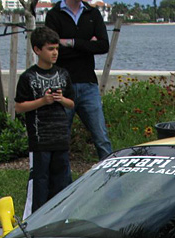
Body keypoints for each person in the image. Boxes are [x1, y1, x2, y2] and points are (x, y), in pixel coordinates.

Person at [15, 27, 75, 214]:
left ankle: (60, 217)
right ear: (37, 50)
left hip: (60, 139)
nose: (55, 53)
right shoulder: (28, 77)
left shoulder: (63, 74)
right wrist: (42, 101)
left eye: (56, 48)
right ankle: (34, 219)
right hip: (40, 141)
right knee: (40, 183)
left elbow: (72, 103)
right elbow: (19, 106)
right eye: (50, 49)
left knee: (62, 182)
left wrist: (60, 99)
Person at [44, 0, 113, 160]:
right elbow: (53, 51)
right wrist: (87, 46)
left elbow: (103, 46)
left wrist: (71, 42)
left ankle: (112, 179)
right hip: (62, 86)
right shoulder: (54, 15)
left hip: (88, 84)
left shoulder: (92, 13)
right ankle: (62, 182)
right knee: (61, 140)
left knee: (101, 137)